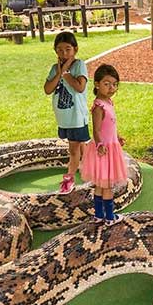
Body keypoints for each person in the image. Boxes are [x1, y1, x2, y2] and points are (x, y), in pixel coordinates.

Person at [79, 64, 129, 226]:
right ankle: (109, 217)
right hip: (104, 150)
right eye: (106, 84)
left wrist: (117, 136)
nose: (111, 88)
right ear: (97, 84)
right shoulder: (98, 106)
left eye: (114, 84)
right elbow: (96, 130)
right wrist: (100, 144)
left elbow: (111, 125)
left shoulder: (109, 102)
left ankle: (99, 215)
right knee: (106, 185)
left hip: (111, 145)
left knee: (101, 185)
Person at [43, 32, 90, 194]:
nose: (64, 53)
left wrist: (65, 73)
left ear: (75, 49)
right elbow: (48, 90)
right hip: (63, 118)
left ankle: (69, 178)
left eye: (68, 49)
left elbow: (80, 87)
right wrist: (59, 72)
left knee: (73, 149)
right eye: (60, 50)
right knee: (79, 144)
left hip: (76, 116)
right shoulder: (54, 68)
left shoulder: (79, 65)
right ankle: (89, 169)